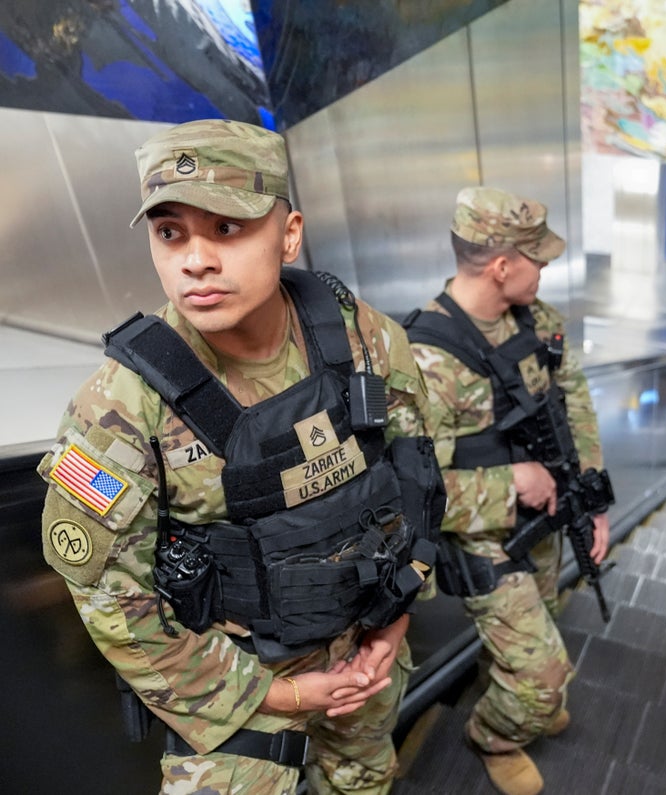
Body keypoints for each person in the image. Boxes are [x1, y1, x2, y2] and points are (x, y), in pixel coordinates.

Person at [37, 119, 444, 794]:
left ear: (289, 234)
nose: (195, 259)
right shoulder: (119, 405)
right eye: (170, 233)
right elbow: (114, 601)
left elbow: (417, 468)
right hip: (236, 680)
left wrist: (397, 615)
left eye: (226, 227)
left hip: (368, 642)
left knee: (366, 777)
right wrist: (277, 697)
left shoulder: (355, 331)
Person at [405, 187, 611, 795]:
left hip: (546, 519)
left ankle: (528, 700)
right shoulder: (423, 359)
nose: (545, 270)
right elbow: (409, 491)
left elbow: (575, 405)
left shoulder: (538, 321)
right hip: (480, 540)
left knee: (541, 627)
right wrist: (510, 483)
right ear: (501, 266)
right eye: (538, 260)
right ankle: (495, 734)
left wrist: (593, 502)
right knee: (543, 673)